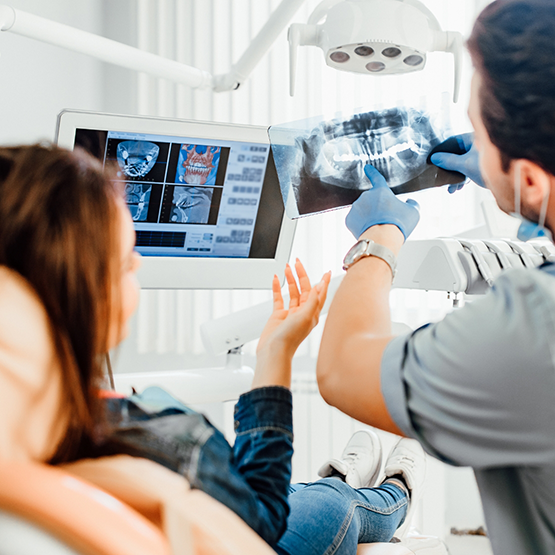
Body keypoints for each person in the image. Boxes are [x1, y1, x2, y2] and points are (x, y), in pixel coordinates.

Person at [0, 144, 426, 555]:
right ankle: (395, 490)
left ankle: (346, 476)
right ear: (86, 289)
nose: (140, 264)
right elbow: (263, 517)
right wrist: (276, 353)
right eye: (127, 259)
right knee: (334, 502)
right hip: (257, 531)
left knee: (301, 491)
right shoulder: (169, 448)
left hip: (218, 506)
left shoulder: (33, 426)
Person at [316, 1, 555, 554]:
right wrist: (512, 186)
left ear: (531, 177)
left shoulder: (533, 329)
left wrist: (379, 239)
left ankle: (388, 488)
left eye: (479, 131)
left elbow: (343, 368)